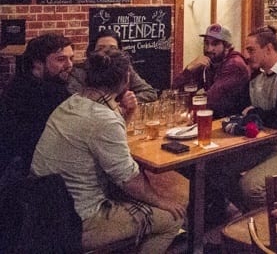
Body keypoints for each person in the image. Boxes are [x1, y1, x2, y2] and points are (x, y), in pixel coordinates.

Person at [31, 49, 186, 253]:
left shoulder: (73, 102)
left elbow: (104, 144)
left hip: (42, 206)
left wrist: (127, 117)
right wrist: (163, 201)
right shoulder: (103, 118)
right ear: (125, 80)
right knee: (173, 219)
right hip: (77, 220)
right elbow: (128, 181)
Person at [208, 25, 277, 212]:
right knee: (215, 167)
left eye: (251, 50)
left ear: (268, 49)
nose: (245, 55)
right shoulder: (257, 74)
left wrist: (253, 112)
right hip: (268, 143)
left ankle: (270, 228)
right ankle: (250, 216)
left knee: (250, 186)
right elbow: (239, 107)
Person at [0, 33, 74, 177]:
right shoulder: (43, 92)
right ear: (37, 63)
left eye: (71, 58)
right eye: (61, 59)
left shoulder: (21, 82)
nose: (69, 65)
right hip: (27, 175)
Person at [173, 23, 250, 118]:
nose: (209, 48)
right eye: (206, 43)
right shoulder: (209, 63)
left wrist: (187, 111)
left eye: (215, 44)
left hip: (233, 123)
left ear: (227, 46)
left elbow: (211, 100)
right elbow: (175, 91)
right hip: (215, 120)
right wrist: (189, 69)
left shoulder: (234, 65)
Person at [67, 29, 157, 107]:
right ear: (92, 51)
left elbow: (150, 92)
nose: (107, 52)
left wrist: (130, 100)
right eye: (100, 48)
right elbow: (78, 104)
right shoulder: (78, 73)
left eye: (113, 48)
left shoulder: (124, 69)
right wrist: (115, 104)